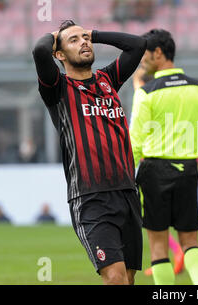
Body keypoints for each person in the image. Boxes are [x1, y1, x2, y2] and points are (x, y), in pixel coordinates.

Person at [32, 20, 146, 285]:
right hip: (91, 198)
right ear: (59, 54)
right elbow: (39, 50)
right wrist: (57, 34)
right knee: (115, 278)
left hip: (127, 192)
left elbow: (138, 45)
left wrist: (93, 33)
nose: (84, 42)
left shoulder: (108, 80)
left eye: (86, 38)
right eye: (74, 40)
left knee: (128, 280)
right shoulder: (57, 89)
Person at [130, 29, 198, 285]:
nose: (142, 59)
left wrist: (126, 178)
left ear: (158, 52)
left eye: (145, 54)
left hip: (153, 172)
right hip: (188, 171)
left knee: (158, 247)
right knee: (190, 241)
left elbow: (135, 142)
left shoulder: (146, 92)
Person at [132, 66, 185, 276]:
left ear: (140, 83)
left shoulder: (144, 99)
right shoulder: (164, 99)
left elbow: (139, 135)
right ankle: (174, 253)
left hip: (150, 163)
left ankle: (170, 255)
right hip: (173, 160)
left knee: (152, 216)